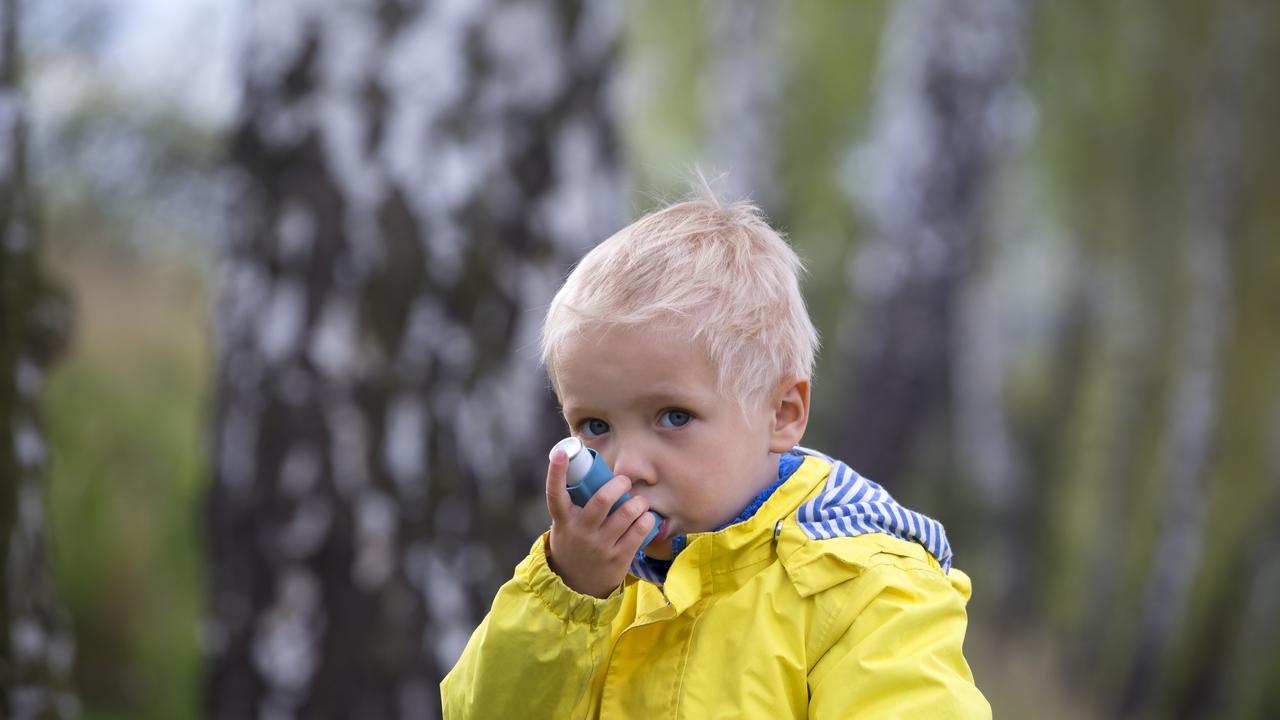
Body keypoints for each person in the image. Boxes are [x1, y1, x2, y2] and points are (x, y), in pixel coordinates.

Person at [440, 187, 991, 718]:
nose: (627, 465)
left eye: (673, 417)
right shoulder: (588, 588)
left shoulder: (862, 589)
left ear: (783, 414)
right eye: (596, 425)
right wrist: (566, 597)